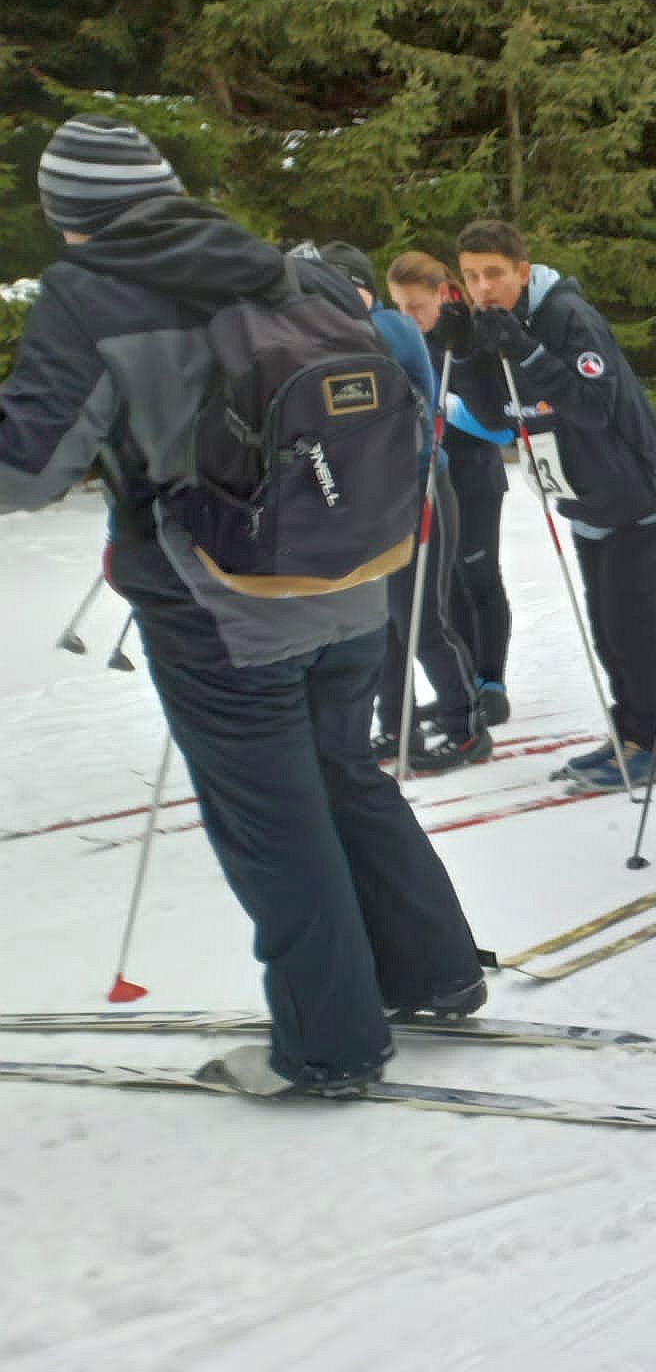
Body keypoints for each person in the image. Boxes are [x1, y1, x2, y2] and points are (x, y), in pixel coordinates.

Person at [1, 114, 484, 1094]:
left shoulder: (88, 293)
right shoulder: (280, 266)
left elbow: (30, 465)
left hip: (221, 607)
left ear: (70, 215)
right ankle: (435, 971)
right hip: (353, 577)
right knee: (346, 778)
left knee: (273, 822)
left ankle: (330, 1044)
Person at [443, 219, 656, 791]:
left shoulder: (568, 317)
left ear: (523, 271)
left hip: (635, 492)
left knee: (630, 629)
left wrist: (526, 350)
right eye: (471, 276)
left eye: (494, 273)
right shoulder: (493, 322)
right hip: (583, 497)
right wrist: (465, 356)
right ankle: (628, 734)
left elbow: (594, 405)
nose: (483, 287)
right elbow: (498, 420)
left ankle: (650, 742)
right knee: (605, 630)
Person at [317, 242, 488, 771]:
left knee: (421, 619)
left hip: (421, 489)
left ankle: (466, 728)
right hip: (375, 499)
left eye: (347, 288)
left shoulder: (390, 327)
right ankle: (396, 725)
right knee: (386, 622)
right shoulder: (341, 331)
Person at [385, 251, 515, 727]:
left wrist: (449, 397)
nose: (408, 316)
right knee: (443, 590)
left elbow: (499, 424)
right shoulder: (404, 340)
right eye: (399, 306)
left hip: (474, 474)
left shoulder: (469, 333)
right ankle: (461, 683)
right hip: (427, 479)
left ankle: (491, 682)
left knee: (478, 577)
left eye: (416, 306)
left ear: (442, 295)